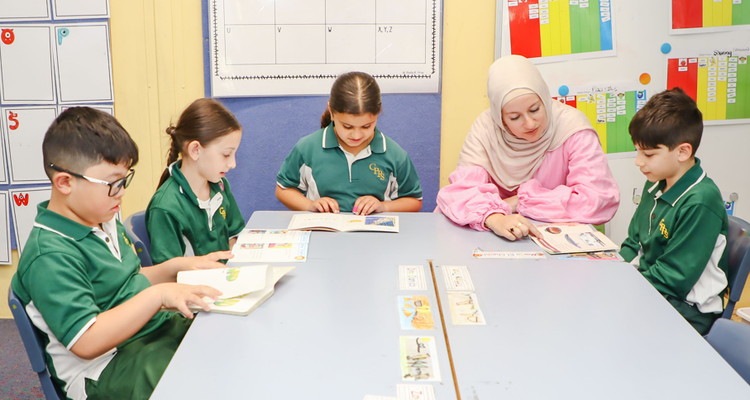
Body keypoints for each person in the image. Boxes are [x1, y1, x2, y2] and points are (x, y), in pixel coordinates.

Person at [10, 107, 230, 399]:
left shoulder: (102, 219)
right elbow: (87, 341)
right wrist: (159, 295)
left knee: (222, 340)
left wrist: (177, 267)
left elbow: (128, 280)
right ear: (65, 182)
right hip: (105, 367)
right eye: (113, 183)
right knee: (197, 380)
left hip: (146, 332)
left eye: (125, 180)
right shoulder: (49, 254)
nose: (122, 192)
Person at [436, 55, 619, 241]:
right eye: (515, 117)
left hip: (555, 242)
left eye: (535, 109)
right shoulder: (486, 128)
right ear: (501, 120)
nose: (530, 123)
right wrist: (493, 217)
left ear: (545, 98)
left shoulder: (572, 128)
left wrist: (520, 202)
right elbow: (461, 192)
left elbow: (597, 200)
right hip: (493, 237)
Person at [619, 88, 728, 335]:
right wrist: (613, 274)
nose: (639, 161)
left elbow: (674, 277)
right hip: (652, 291)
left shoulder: (701, 200)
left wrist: (623, 292)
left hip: (687, 311)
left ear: (683, 152)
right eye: (637, 151)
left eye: (648, 154)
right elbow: (633, 243)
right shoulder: (655, 182)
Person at [275, 71, 423, 215]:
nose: (357, 135)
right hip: (323, 234)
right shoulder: (307, 148)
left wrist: (383, 206)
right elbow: (283, 190)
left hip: (375, 237)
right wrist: (310, 205)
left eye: (366, 126)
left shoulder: (395, 154)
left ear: (377, 115)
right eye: (347, 126)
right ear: (332, 112)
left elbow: (414, 201)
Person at [146, 98, 245, 265]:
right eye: (227, 154)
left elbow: (235, 234)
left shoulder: (220, 185)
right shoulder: (165, 208)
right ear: (195, 150)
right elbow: (168, 274)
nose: (233, 164)